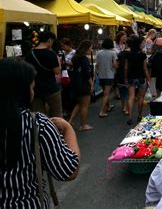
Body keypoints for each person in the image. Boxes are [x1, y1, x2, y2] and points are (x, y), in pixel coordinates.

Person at [0, 59, 80, 208]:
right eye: (31, 87)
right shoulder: (36, 123)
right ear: (21, 92)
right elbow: (69, 171)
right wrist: (68, 130)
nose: (33, 91)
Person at [25, 31, 63, 118]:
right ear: (49, 40)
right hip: (51, 88)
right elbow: (57, 71)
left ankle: (41, 131)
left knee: (38, 116)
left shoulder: (30, 54)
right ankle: (57, 131)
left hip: (36, 89)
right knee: (57, 114)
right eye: (52, 41)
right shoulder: (51, 54)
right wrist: (59, 62)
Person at [124, 35, 151, 125]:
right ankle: (139, 115)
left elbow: (126, 67)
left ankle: (130, 116)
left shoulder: (127, 54)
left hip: (131, 77)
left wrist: (125, 78)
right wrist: (148, 78)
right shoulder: (142, 54)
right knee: (141, 97)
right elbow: (144, 68)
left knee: (131, 96)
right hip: (141, 77)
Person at [69, 40, 94, 131]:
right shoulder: (84, 59)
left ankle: (70, 121)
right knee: (85, 105)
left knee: (79, 104)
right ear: (86, 49)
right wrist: (91, 85)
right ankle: (83, 125)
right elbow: (87, 74)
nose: (91, 50)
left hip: (76, 83)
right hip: (83, 84)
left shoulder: (75, 58)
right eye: (90, 48)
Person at [95, 38, 118, 118]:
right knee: (106, 94)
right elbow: (114, 65)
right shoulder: (113, 53)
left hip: (101, 75)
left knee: (105, 92)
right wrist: (117, 67)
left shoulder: (99, 52)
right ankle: (102, 111)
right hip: (109, 75)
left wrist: (96, 73)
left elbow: (97, 64)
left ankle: (108, 106)